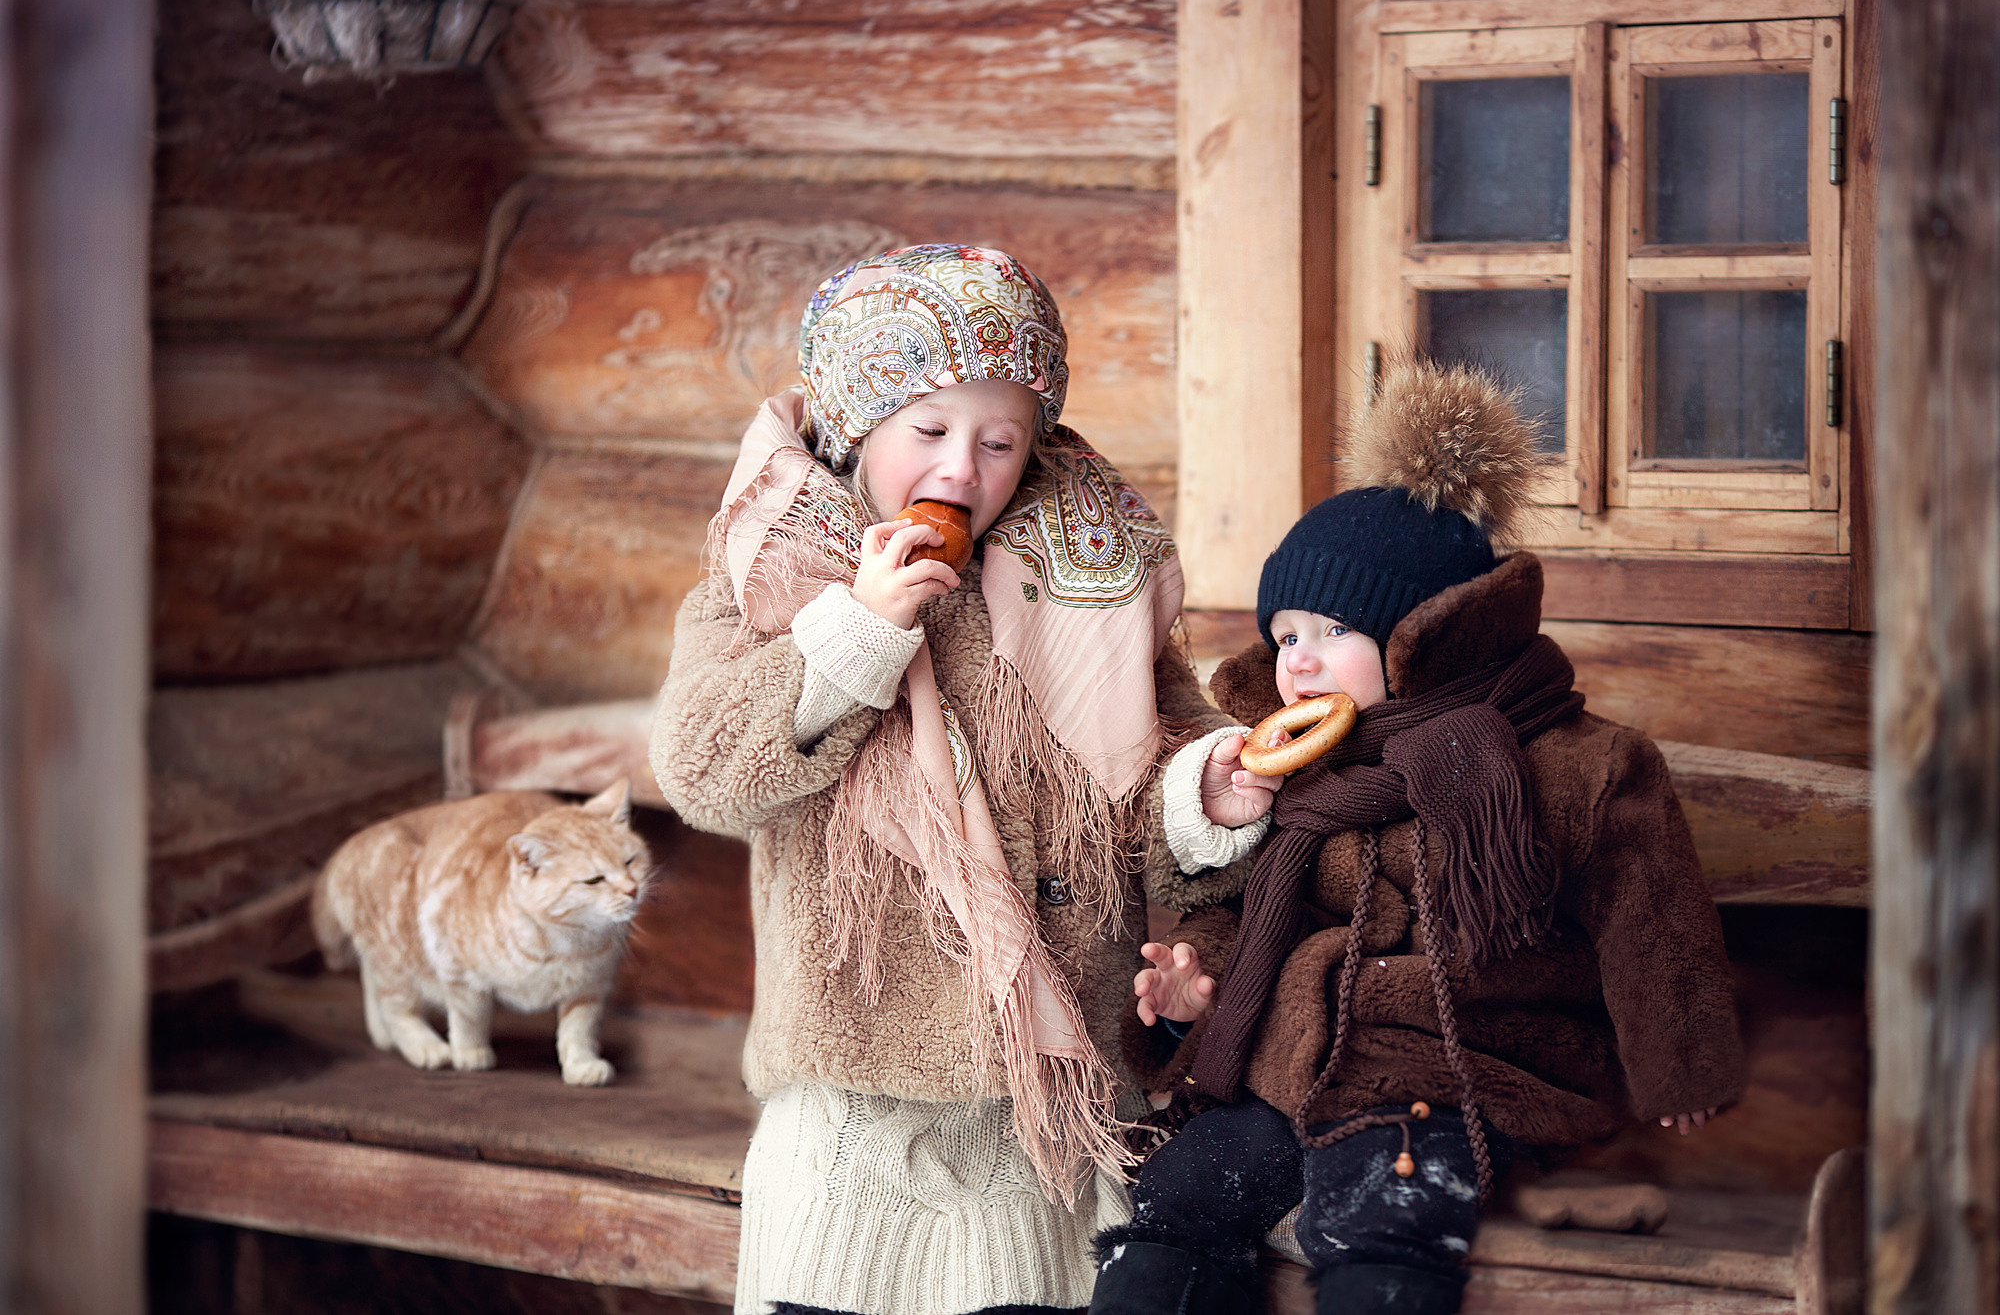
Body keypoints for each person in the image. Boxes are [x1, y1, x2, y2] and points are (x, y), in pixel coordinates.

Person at [650, 244, 1253, 1315]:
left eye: (998, 441)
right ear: (855, 425)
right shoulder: (771, 571)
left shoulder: (1094, 573)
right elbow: (702, 772)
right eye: (927, 432)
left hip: (1045, 1106)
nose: (961, 470)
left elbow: (1162, 755)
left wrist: (1207, 785)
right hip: (849, 1090)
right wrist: (853, 636)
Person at [1094, 360, 1747, 1315]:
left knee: (1381, 1218)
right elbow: (1241, 916)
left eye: (1331, 628)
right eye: (1284, 634)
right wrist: (1194, 992)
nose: (1299, 658)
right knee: (1176, 1199)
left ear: (1427, 633)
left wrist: (1682, 1062)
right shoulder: (1288, 770)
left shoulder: (1569, 764)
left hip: (1463, 1062)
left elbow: (1651, 920)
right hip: (1291, 1065)